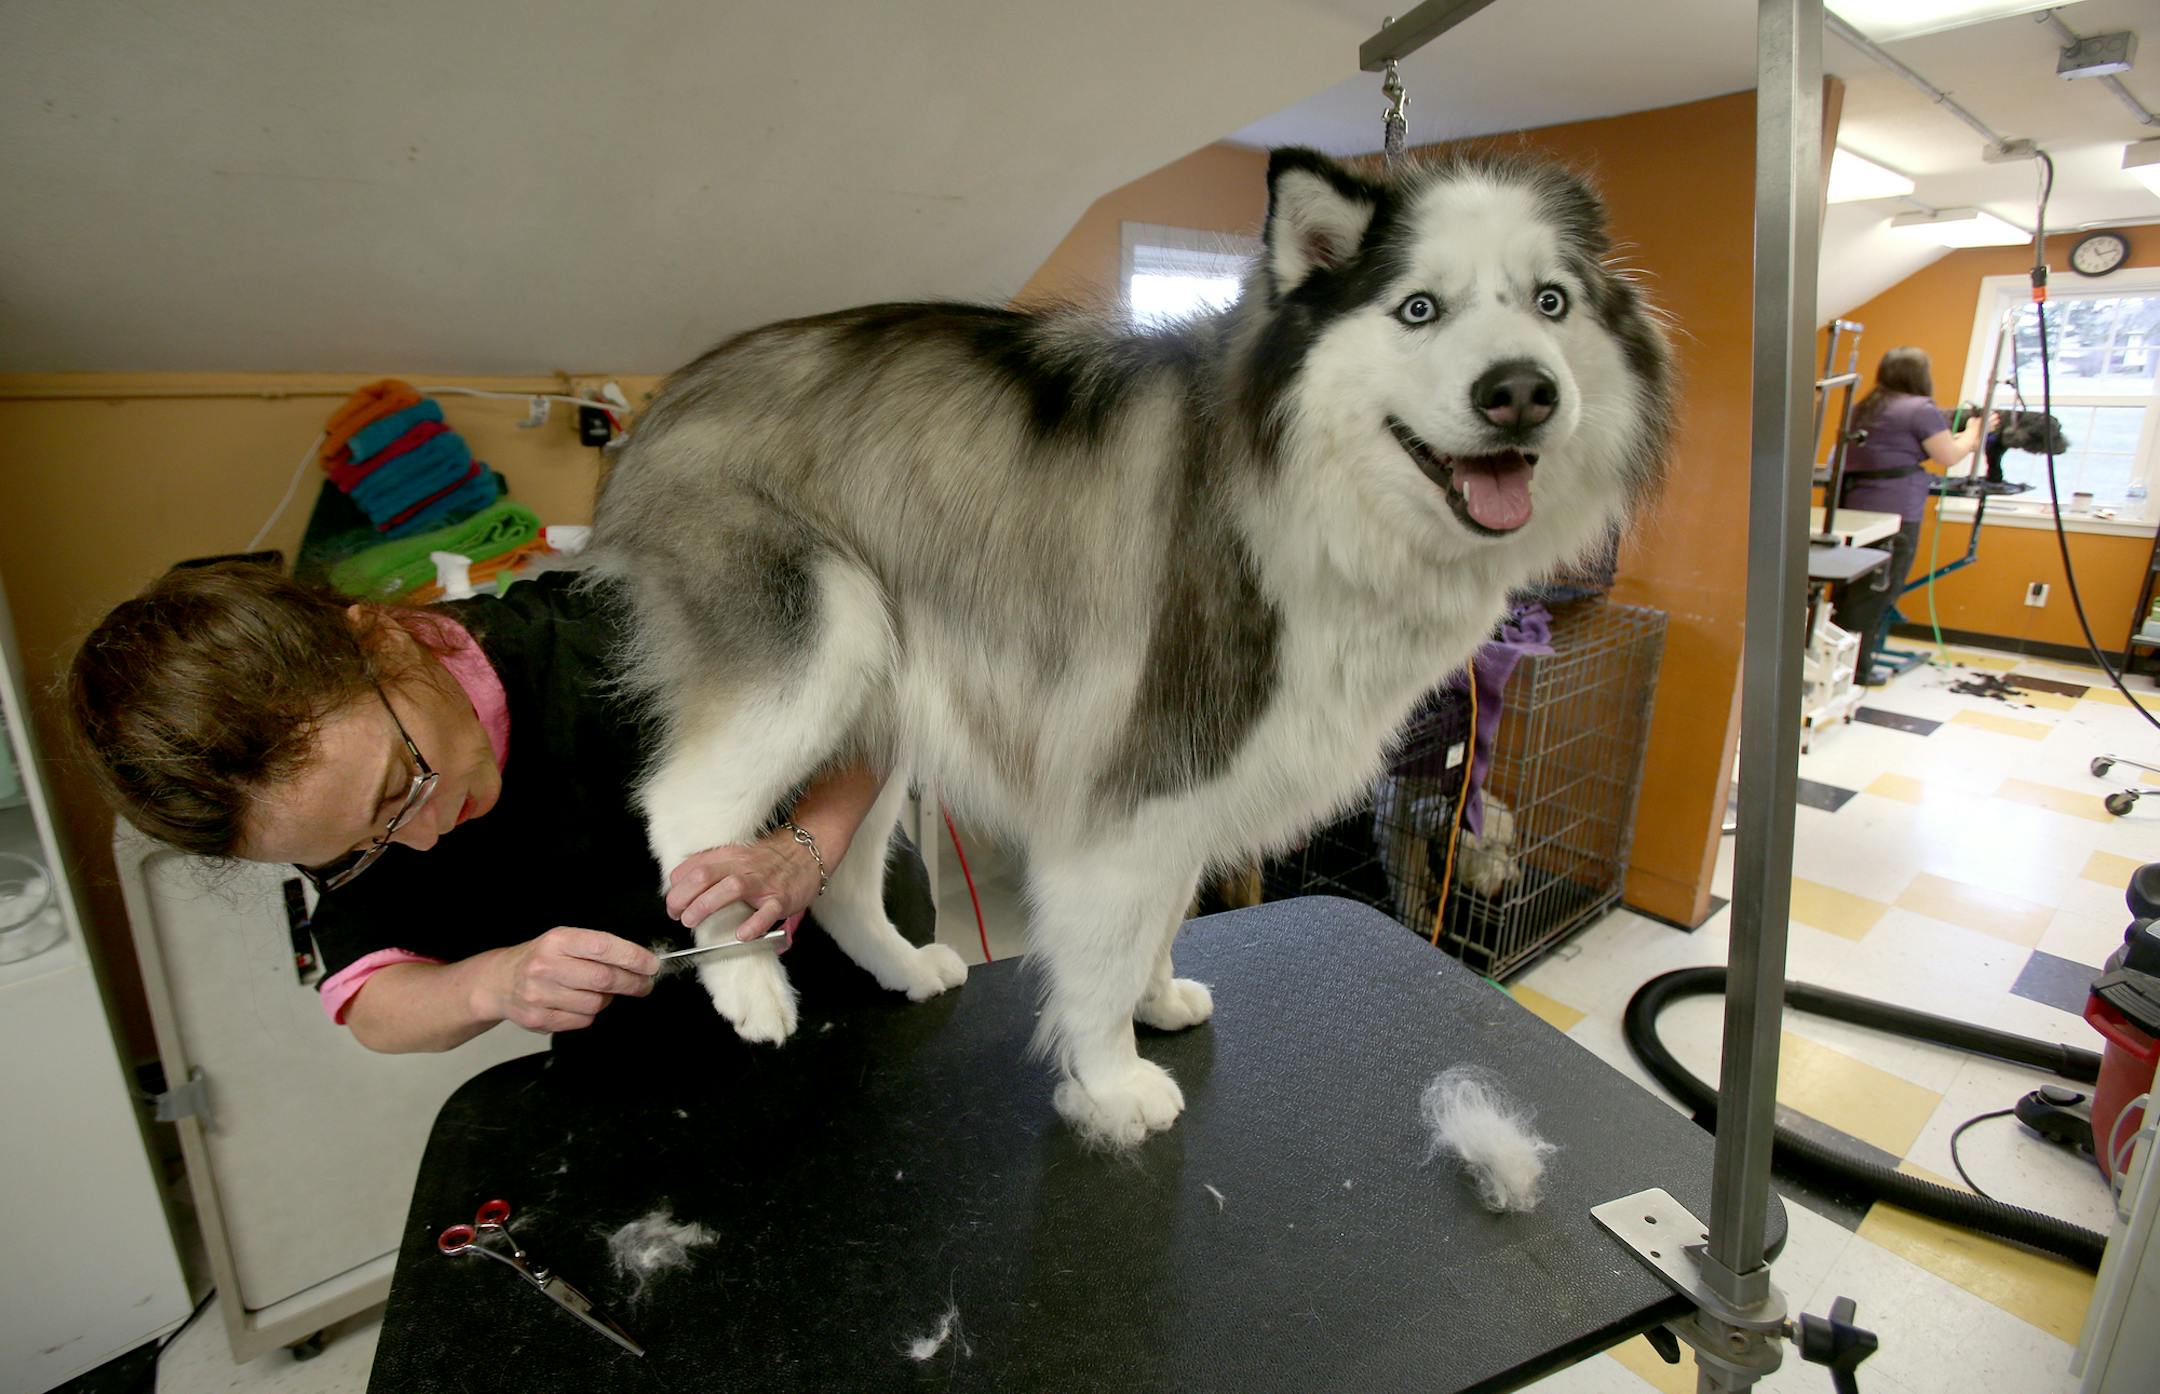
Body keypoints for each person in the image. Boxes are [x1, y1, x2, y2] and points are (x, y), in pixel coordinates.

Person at [68, 560, 922, 1059]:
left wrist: (805, 849)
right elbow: (370, 1002)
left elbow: (878, 706)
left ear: (389, 642)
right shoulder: (331, 810)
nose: (427, 834)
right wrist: (493, 982)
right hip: (642, 1049)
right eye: (366, 846)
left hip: (847, 960)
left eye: (402, 787)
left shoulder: (615, 629)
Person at [1830, 346, 1993, 684]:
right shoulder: (1920, 409)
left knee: (1851, 589)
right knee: (1878, 591)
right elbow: (1947, 456)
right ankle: (1857, 672)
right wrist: (1973, 435)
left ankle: (1835, 663)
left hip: (1852, 510)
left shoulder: (1865, 407)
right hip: (1896, 513)